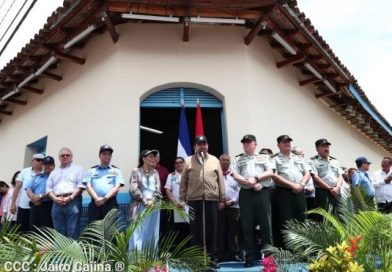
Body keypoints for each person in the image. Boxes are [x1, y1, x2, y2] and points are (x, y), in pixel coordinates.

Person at [180, 135, 225, 270]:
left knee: (212, 231)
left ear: (207, 146)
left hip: (211, 200)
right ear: (195, 146)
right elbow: (183, 182)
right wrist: (182, 199)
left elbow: (220, 180)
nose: (202, 146)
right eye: (199, 144)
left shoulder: (214, 160)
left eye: (204, 144)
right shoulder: (188, 161)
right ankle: (198, 259)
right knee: (196, 231)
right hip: (194, 200)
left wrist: (222, 198)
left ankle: (212, 258)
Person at [231, 135, 274, 267]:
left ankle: (269, 259)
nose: (246, 145)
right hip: (246, 194)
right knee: (247, 226)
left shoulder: (264, 157)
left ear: (255, 144)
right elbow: (234, 174)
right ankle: (249, 257)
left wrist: (256, 179)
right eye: (244, 143)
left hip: (262, 192)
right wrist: (248, 183)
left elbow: (271, 171)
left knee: (266, 225)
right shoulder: (238, 158)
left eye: (249, 143)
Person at [272, 135, 310, 248]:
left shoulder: (298, 158)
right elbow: (274, 175)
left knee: (301, 219)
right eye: (284, 142)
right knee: (286, 220)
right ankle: (289, 251)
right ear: (278, 145)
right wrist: (291, 185)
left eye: (288, 141)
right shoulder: (274, 158)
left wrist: (302, 184)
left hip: (299, 191)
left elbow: (307, 172)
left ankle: (303, 249)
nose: (287, 143)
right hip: (284, 192)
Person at [46, 147, 85, 239]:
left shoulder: (78, 169)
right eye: (62, 155)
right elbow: (48, 188)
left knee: (73, 230)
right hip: (56, 202)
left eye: (68, 155)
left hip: (73, 201)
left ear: (72, 157)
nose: (65, 157)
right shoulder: (54, 172)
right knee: (59, 231)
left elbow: (81, 186)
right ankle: (61, 253)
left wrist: (70, 198)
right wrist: (55, 199)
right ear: (59, 158)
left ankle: (72, 253)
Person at [129, 149, 162, 250]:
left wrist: (152, 200)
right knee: (138, 231)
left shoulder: (155, 172)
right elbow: (133, 189)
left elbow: (158, 188)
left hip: (154, 205)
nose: (153, 159)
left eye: (154, 157)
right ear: (143, 158)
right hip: (140, 205)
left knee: (152, 231)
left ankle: (150, 258)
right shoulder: (136, 171)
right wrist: (145, 201)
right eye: (150, 157)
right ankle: (136, 260)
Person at [84, 145, 124, 223]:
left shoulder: (116, 170)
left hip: (110, 204)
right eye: (104, 154)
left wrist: (105, 199)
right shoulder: (92, 170)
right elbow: (88, 186)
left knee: (111, 229)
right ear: (99, 156)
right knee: (94, 229)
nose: (107, 156)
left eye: (109, 154)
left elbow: (117, 187)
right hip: (95, 203)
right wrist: (96, 199)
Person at [309, 139, 344, 215]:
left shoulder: (334, 161)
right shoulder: (313, 161)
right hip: (323, 192)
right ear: (317, 149)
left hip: (336, 191)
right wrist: (329, 188)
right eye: (323, 146)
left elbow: (340, 175)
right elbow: (315, 177)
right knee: (326, 216)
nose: (326, 148)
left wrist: (337, 187)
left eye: (327, 146)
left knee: (340, 215)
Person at [217, 154, 241, 262]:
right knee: (220, 231)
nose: (225, 162)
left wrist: (233, 201)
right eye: (223, 160)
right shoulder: (216, 175)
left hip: (234, 207)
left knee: (234, 231)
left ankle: (235, 253)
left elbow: (239, 190)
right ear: (219, 161)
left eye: (227, 160)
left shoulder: (234, 175)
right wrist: (220, 202)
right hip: (220, 207)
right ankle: (220, 254)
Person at [10, 153, 44, 232]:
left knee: (34, 231)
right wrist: (13, 203)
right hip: (23, 206)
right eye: (38, 160)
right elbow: (17, 188)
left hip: (38, 207)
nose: (40, 162)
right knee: (21, 231)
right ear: (32, 161)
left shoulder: (45, 173)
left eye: (42, 160)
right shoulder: (24, 171)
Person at [164, 156, 190, 244]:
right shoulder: (171, 176)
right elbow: (167, 189)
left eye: (181, 162)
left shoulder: (189, 174)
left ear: (184, 163)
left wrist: (184, 202)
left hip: (187, 205)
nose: (179, 164)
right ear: (174, 165)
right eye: (177, 163)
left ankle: (188, 248)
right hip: (175, 205)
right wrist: (174, 202)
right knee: (176, 229)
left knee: (188, 228)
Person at [25, 156, 55, 229]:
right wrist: (33, 198)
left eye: (50, 164)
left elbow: (55, 192)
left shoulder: (56, 177)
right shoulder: (37, 177)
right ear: (43, 165)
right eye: (45, 164)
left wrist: (40, 197)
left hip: (48, 206)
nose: (47, 166)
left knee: (46, 230)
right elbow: (28, 188)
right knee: (33, 228)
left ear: (54, 166)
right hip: (35, 206)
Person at [292, 146, 316, 216]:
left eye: (303, 154)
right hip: (301, 193)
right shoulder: (293, 165)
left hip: (311, 195)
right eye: (301, 154)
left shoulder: (305, 164)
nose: (303, 155)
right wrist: (305, 188)